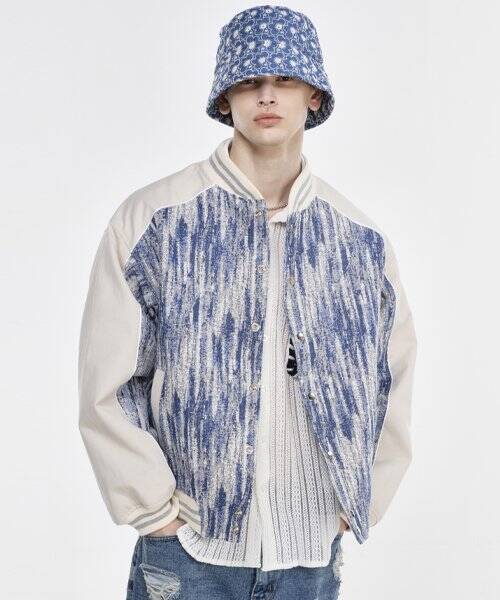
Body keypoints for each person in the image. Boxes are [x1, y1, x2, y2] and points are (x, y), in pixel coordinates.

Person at [78, 5, 417, 599]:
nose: (267, 95)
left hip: (309, 559)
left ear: (313, 96)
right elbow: (109, 379)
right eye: (249, 81)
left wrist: (358, 498)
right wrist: (153, 510)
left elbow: (389, 379)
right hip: (190, 555)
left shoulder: (358, 241)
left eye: (285, 79)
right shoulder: (155, 221)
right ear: (225, 98)